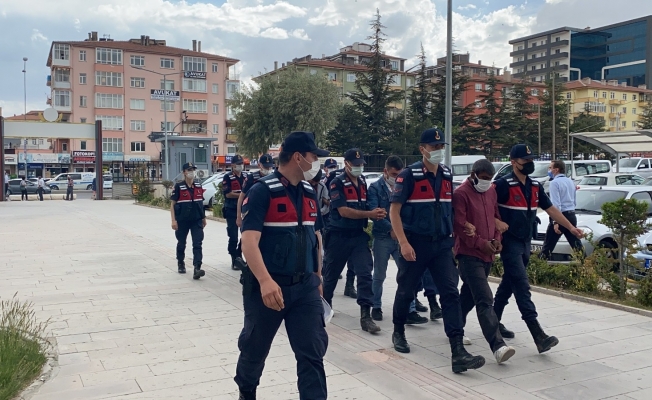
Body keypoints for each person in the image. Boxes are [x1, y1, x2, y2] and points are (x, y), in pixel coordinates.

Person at [234, 131, 328, 400]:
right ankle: (246, 392)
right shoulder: (262, 191)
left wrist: (318, 277)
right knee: (254, 349)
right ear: (298, 157)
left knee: (312, 353)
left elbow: (316, 238)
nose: (316, 163)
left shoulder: (309, 192)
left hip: (305, 288)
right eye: (313, 157)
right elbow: (249, 242)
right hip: (268, 289)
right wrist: (265, 281)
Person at [389, 127, 485, 373]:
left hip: (441, 244)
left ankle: (458, 351)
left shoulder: (446, 174)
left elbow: (448, 209)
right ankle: (398, 331)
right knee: (406, 290)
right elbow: (394, 211)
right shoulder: (408, 176)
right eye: (434, 147)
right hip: (415, 243)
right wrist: (403, 243)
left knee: (450, 293)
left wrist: (462, 227)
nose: (439, 151)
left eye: (441, 146)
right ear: (422, 149)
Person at [493, 144, 584, 354]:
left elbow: (551, 208)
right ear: (513, 162)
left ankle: (493, 320)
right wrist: (496, 222)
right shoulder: (502, 185)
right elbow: (486, 207)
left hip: (526, 242)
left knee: (508, 283)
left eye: (531, 159)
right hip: (510, 243)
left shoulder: (534, 185)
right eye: (525, 160)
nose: (529, 163)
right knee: (522, 286)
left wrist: (571, 227)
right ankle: (538, 334)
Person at [454, 159, 517, 364]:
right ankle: (498, 346)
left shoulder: (491, 191)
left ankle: (455, 327)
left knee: (468, 296)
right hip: (468, 254)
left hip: (488, 254)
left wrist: (497, 241)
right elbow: (460, 226)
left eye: (489, 179)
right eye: (483, 178)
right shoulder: (461, 194)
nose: (486, 182)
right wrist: (481, 243)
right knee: (484, 298)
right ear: (473, 175)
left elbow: (495, 219)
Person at [322, 148, 385, 334]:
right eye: (356, 164)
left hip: (358, 236)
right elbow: (343, 211)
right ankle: (323, 308)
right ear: (347, 164)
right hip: (339, 236)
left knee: (365, 274)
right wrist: (369, 214)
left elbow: (365, 205)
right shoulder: (337, 182)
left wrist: (376, 213)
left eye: (361, 164)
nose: (359, 167)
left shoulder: (362, 181)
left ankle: (366, 317)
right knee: (331, 276)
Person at [367, 155, 427, 325]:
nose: (397, 177)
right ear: (385, 171)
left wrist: (401, 232)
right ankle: (376, 306)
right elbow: (375, 212)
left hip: (403, 237)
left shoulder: (406, 184)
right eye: (394, 174)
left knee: (408, 275)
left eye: (399, 174)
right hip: (383, 237)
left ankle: (410, 310)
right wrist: (391, 228)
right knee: (379, 274)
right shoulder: (375, 188)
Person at [540, 160, 583, 260]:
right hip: (571, 214)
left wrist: (555, 221)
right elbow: (574, 201)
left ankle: (539, 265)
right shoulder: (570, 181)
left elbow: (556, 204)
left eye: (550, 168)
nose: (549, 170)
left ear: (556, 170)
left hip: (560, 215)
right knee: (577, 245)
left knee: (548, 246)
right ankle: (587, 265)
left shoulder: (554, 183)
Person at [170, 162, 207, 280]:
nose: (192, 172)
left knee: (197, 243)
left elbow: (200, 203)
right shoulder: (178, 186)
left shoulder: (198, 186)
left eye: (193, 170)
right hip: (182, 220)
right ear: (184, 172)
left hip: (196, 220)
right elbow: (172, 205)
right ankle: (180, 262)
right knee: (181, 243)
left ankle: (197, 268)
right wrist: (173, 220)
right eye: (189, 170)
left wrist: (203, 218)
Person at [322, 158, 355, 284]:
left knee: (352, 258)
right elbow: (324, 196)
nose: (333, 168)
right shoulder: (329, 179)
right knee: (330, 251)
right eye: (330, 166)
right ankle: (328, 271)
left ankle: (349, 284)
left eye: (334, 166)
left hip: (351, 224)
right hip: (331, 218)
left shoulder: (357, 179)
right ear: (325, 168)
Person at [236, 154, 275, 229]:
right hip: (253, 213)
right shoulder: (251, 178)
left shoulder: (274, 178)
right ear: (259, 165)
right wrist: (238, 216)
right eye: (266, 167)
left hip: (270, 213)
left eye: (270, 167)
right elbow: (241, 197)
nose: (268, 169)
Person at [222, 155, 246, 270]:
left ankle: (239, 254)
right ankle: (234, 258)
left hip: (244, 209)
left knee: (245, 236)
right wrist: (242, 195)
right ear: (232, 165)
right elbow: (228, 194)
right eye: (238, 164)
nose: (240, 166)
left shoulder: (246, 176)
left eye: (241, 163)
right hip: (231, 210)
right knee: (233, 237)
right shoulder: (227, 177)